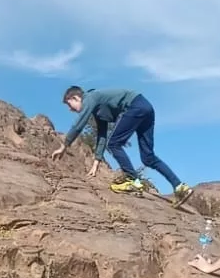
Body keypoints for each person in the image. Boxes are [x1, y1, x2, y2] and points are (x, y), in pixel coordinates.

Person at [48, 85, 192, 204]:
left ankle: (133, 180)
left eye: (69, 104)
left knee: (114, 144)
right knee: (148, 157)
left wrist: (64, 146)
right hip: (146, 107)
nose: (70, 109)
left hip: (135, 106)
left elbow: (78, 124)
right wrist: (96, 162)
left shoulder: (90, 97)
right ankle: (180, 187)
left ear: (75, 98)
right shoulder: (99, 108)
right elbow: (102, 135)